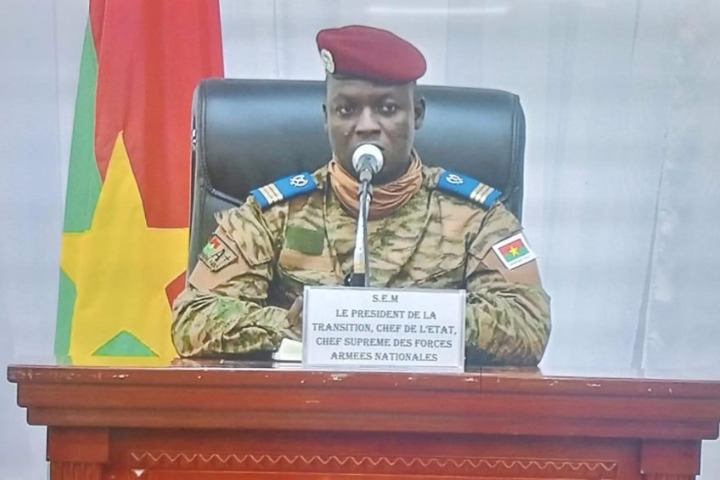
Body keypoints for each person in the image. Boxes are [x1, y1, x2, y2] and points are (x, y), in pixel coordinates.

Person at [172, 25, 551, 365]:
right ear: (326, 117)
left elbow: (528, 323)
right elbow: (192, 318)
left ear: (417, 114)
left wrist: (407, 322)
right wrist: (302, 325)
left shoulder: (476, 215)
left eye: (387, 108)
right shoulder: (273, 212)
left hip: (430, 412)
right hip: (300, 410)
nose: (367, 125)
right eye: (346, 109)